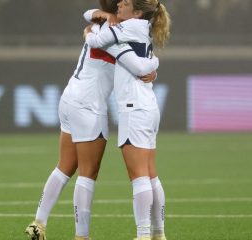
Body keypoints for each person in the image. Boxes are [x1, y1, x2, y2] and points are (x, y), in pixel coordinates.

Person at [24, 1, 159, 240]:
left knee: (65, 166)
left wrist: (99, 16)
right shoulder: (117, 35)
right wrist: (153, 66)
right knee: (88, 173)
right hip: (89, 106)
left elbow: (89, 17)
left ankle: (39, 222)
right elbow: (137, 62)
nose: (121, 6)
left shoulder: (101, 26)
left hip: (69, 98)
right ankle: (81, 236)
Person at [84, 0, 171, 239]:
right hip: (147, 105)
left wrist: (91, 31)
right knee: (150, 173)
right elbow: (88, 12)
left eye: (126, 2)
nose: (120, 4)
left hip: (134, 107)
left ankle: (143, 235)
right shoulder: (140, 27)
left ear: (137, 12)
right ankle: (158, 233)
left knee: (139, 175)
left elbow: (95, 42)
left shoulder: (130, 27)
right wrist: (155, 63)